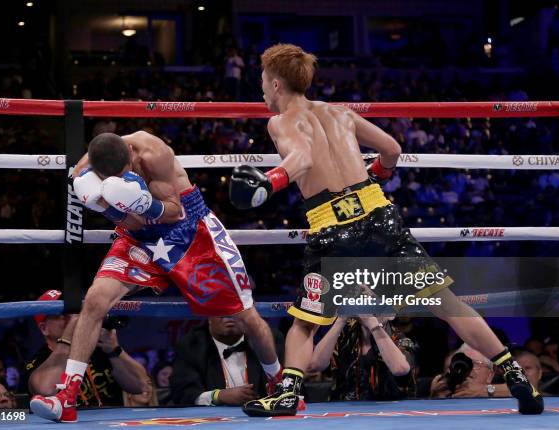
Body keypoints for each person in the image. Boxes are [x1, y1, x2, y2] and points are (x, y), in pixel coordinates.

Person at [229, 43, 543, 416]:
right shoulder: (341, 113)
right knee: (447, 304)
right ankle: (514, 373)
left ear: (277, 83)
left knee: (305, 321)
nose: (262, 89)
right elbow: (392, 148)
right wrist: (378, 173)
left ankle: (286, 395)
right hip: (380, 214)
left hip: (333, 227)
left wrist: (270, 182)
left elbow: (303, 158)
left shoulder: (280, 120)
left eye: (263, 81)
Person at [30, 130, 282, 422]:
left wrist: (141, 202)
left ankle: (280, 385)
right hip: (139, 238)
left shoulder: (154, 153)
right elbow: (104, 198)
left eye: (125, 173)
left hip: (188, 232)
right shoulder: (91, 165)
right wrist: (109, 206)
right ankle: (67, 396)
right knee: (96, 299)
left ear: (131, 153)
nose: (121, 179)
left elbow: (174, 213)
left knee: (245, 315)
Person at [26, 290, 148, 409]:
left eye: (75, 312)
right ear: (44, 329)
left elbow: (141, 386)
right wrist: (69, 334)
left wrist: (114, 350)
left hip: (111, 424)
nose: (72, 317)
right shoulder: (38, 362)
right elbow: (47, 390)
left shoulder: (99, 347)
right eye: (61, 315)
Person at [170, 316, 284, 406]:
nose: (229, 316)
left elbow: (287, 384)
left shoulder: (268, 340)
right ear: (209, 317)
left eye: (234, 311)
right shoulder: (191, 345)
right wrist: (218, 396)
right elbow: (182, 394)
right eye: (221, 311)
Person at [308, 315, 415, 401]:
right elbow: (315, 365)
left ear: (391, 315)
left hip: (390, 413)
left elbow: (400, 368)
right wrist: (340, 320)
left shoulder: (400, 339)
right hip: (342, 412)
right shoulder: (343, 336)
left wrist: (374, 326)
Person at [430, 343, 509, 398]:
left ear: (490, 375)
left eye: (475, 363)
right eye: (462, 362)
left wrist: (483, 391)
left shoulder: (501, 397)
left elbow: (518, 388)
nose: (467, 368)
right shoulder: (445, 388)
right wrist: (437, 399)